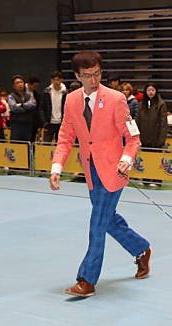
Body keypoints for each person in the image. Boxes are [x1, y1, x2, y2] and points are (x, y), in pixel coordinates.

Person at [49, 51, 151, 298]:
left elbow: (132, 137)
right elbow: (65, 137)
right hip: (91, 171)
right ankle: (142, 249)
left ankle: (87, 279)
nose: (93, 80)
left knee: (97, 224)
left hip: (115, 171)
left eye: (97, 74)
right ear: (77, 76)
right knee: (107, 220)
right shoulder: (72, 100)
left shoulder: (116, 99)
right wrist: (56, 167)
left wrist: (127, 159)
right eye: (87, 76)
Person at [8, 75, 37, 142]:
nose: (20, 84)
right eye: (17, 83)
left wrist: (21, 105)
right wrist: (27, 108)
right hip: (16, 125)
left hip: (28, 124)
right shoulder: (11, 96)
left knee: (28, 146)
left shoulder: (29, 95)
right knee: (16, 146)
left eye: (21, 82)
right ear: (14, 86)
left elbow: (33, 105)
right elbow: (14, 108)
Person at [41, 71, 68, 143]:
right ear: (51, 80)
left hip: (61, 123)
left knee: (61, 144)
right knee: (46, 145)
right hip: (49, 123)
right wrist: (44, 122)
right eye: (54, 80)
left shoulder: (66, 93)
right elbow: (42, 108)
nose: (56, 82)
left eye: (58, 79)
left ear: (61, 80)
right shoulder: (46, 92)